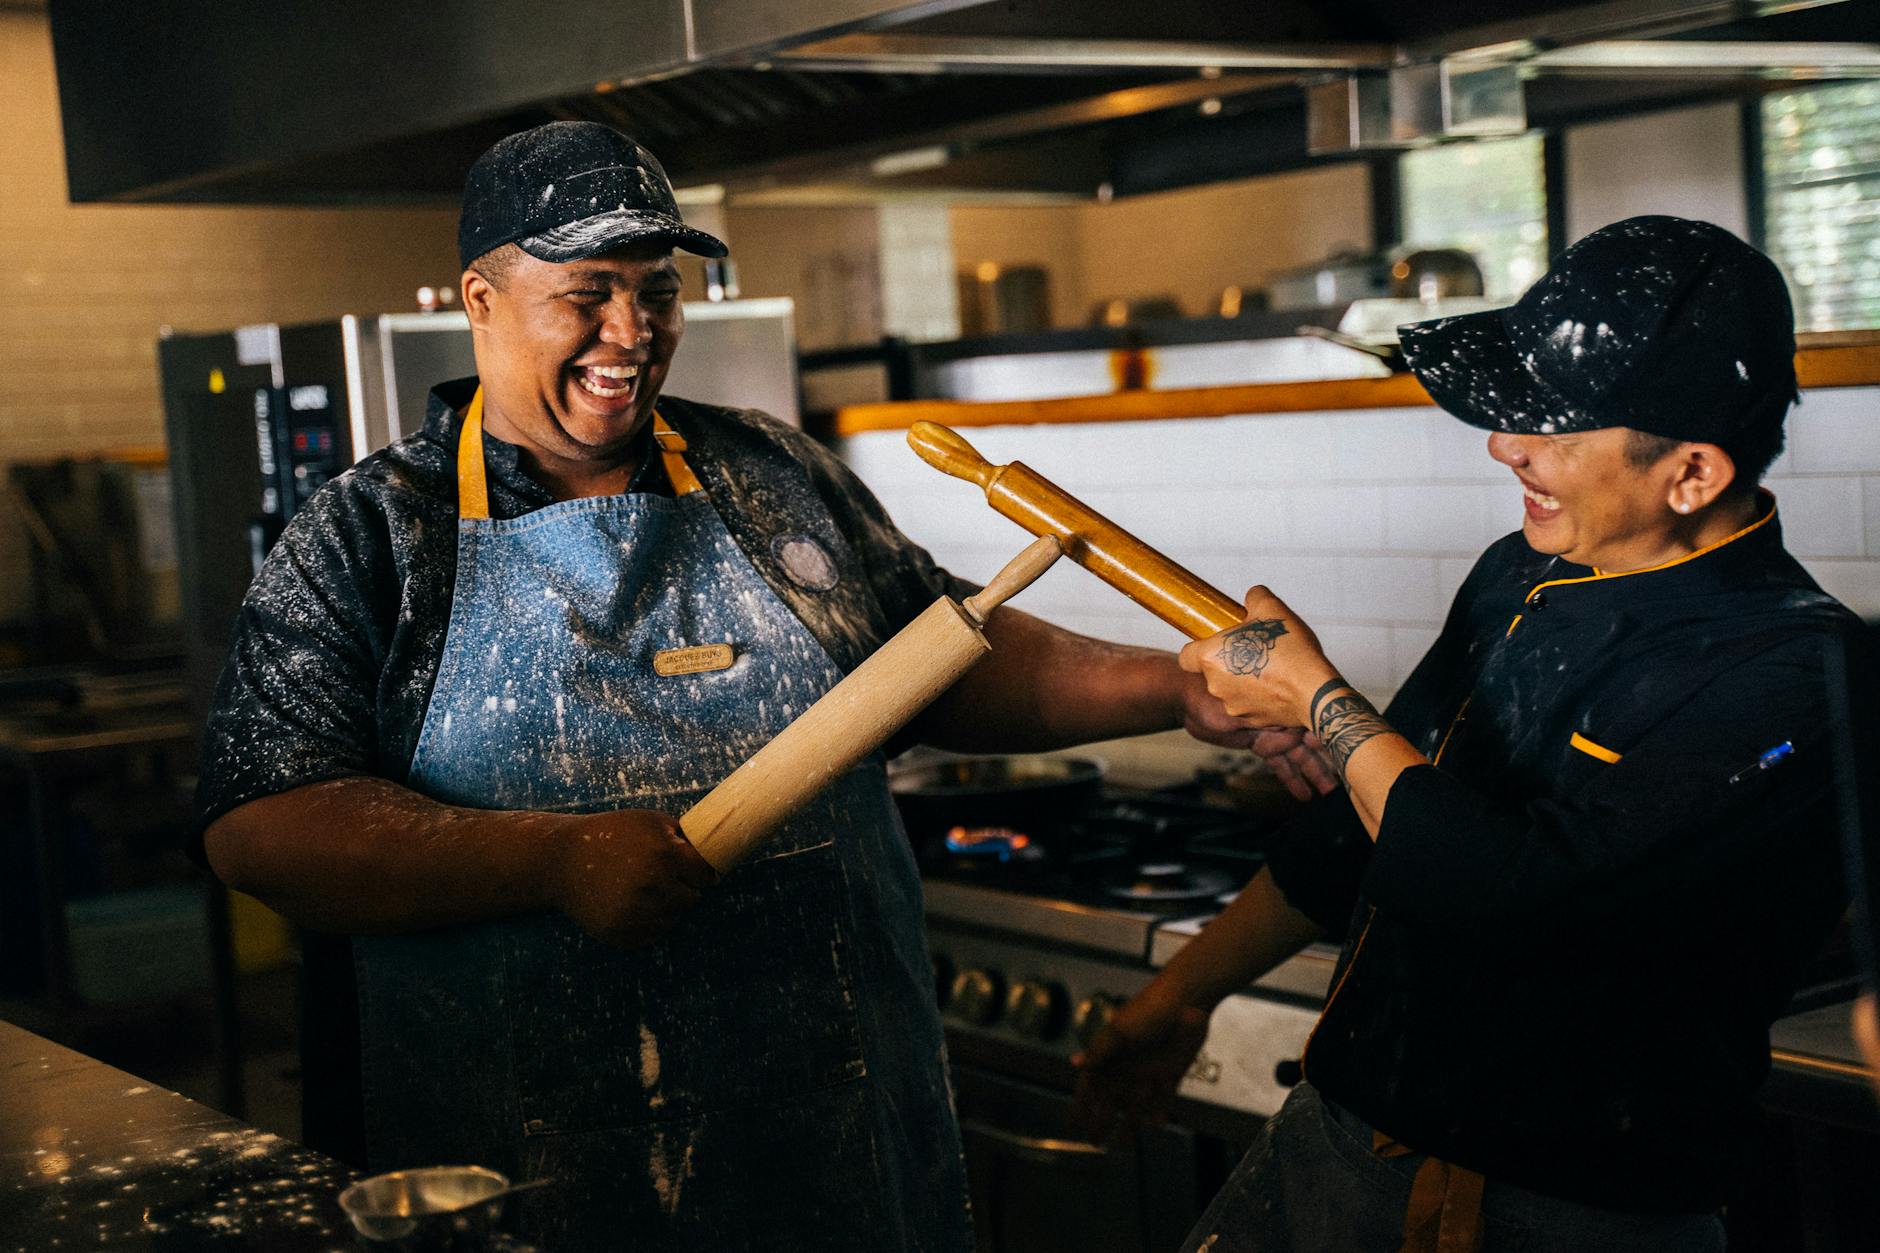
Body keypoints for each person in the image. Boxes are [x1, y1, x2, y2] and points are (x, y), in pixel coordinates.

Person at [193, 120, 1264, 1253]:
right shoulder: (373, 533)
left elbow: (939, 660)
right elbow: (264, 822)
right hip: (528, 1168)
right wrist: (554, 859)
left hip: (828, 1142)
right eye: (588, 292)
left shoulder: (772, 476)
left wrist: (1178, 684)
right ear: (481, 298)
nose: (632, 331)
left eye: (656, 291)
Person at [1075, 216, 1869, 1252]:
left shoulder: (1792, 672)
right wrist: (1179, 997)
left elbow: (1509, 893)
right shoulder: (1516, 573)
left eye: (1553, 426)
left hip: (1564, 1215)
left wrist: (1321, 701)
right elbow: (1360, 832)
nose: (1504, 446)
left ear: (1691, 475)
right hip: (1336, 1141)